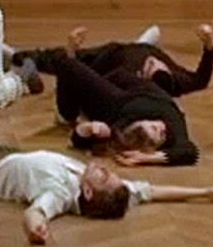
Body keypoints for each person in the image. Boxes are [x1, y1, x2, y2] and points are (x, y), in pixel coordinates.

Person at [0, 129, 213, 245]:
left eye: (102, 176)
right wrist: (204, 193)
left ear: (87, 193)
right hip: (4, 154)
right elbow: (152, 192)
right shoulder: (113, 190)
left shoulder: (60, 195)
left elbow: (36, 213)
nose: (103, 169)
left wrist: (35, 229)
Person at [54, 56, 200, 166]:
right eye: (156, 129)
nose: (163, 128)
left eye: (158, 132)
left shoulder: (111, 130)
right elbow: (190, 152)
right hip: (128, 85)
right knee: (130, 61)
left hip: (115, 101)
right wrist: (148, 158)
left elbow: (78, 141)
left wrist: (87, 129)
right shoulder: (171, 120)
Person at [13, 23, 213, 98]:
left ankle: (18, 55)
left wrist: (72, 52)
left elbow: (87, 81)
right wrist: (210, 46)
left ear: (142, 76)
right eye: (159, 64)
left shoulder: (124, 77)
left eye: (150, 66)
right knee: (143, 46)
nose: (154, 61)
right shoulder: (178, 80)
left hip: (111, 55)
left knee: (61, 59)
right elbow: (202, 79)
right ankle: (143, 42)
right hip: (140, 47)